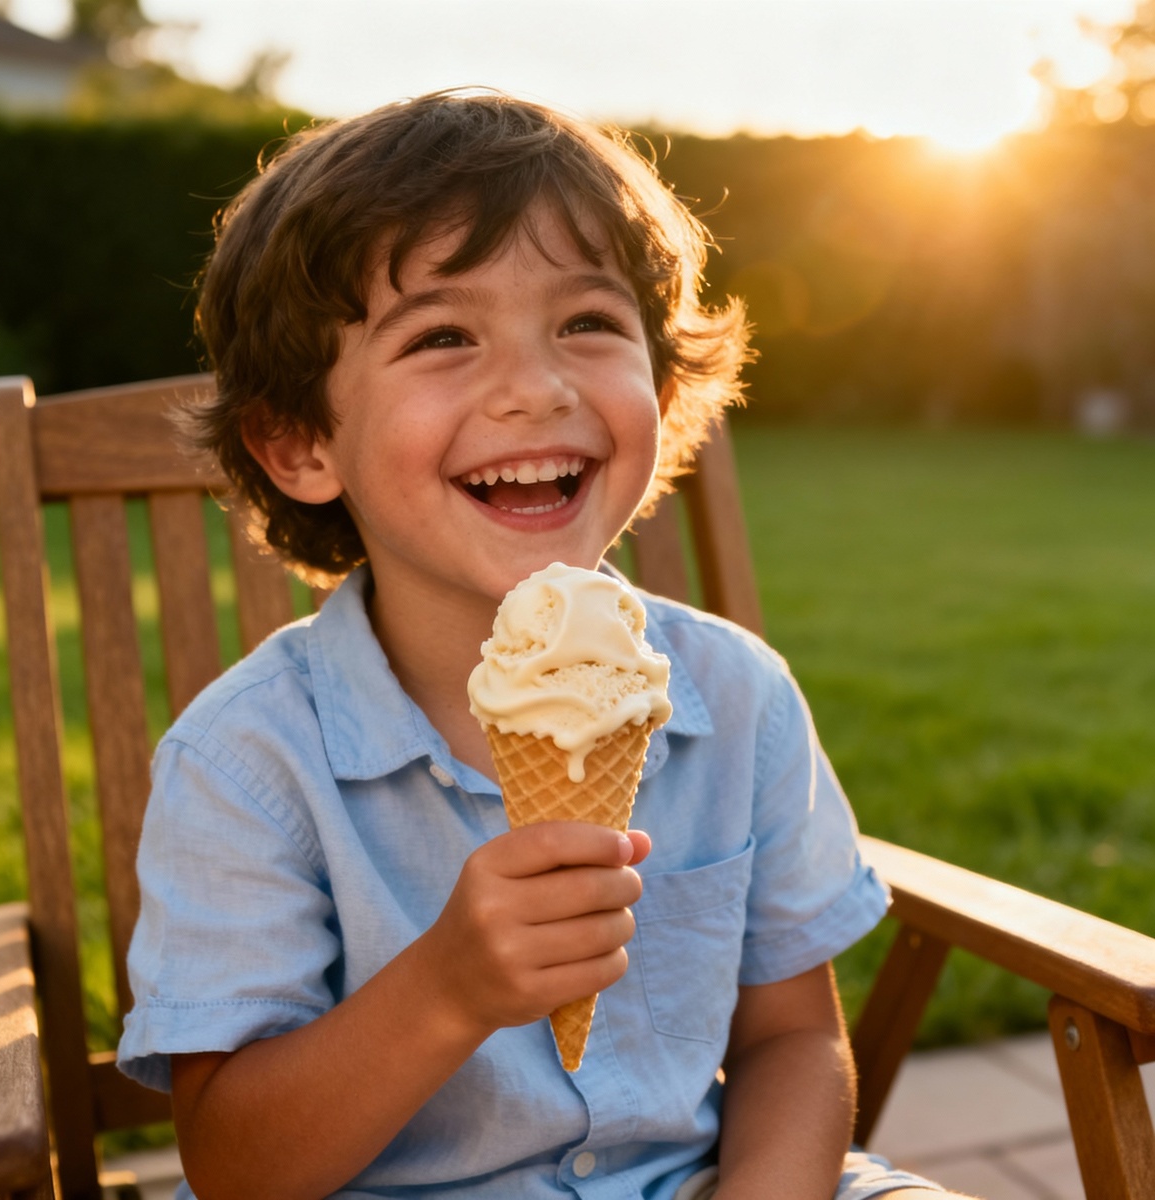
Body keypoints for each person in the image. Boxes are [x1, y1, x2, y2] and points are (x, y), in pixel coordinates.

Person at [117, 89, 975, 1200]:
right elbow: (235, 1165)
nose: (536, 387)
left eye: (587, 323)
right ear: (296, 442)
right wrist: (446, 989)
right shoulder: (247, 764)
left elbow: (791, 1041)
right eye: (441, 337)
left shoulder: (735, 694)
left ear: (661, 392)